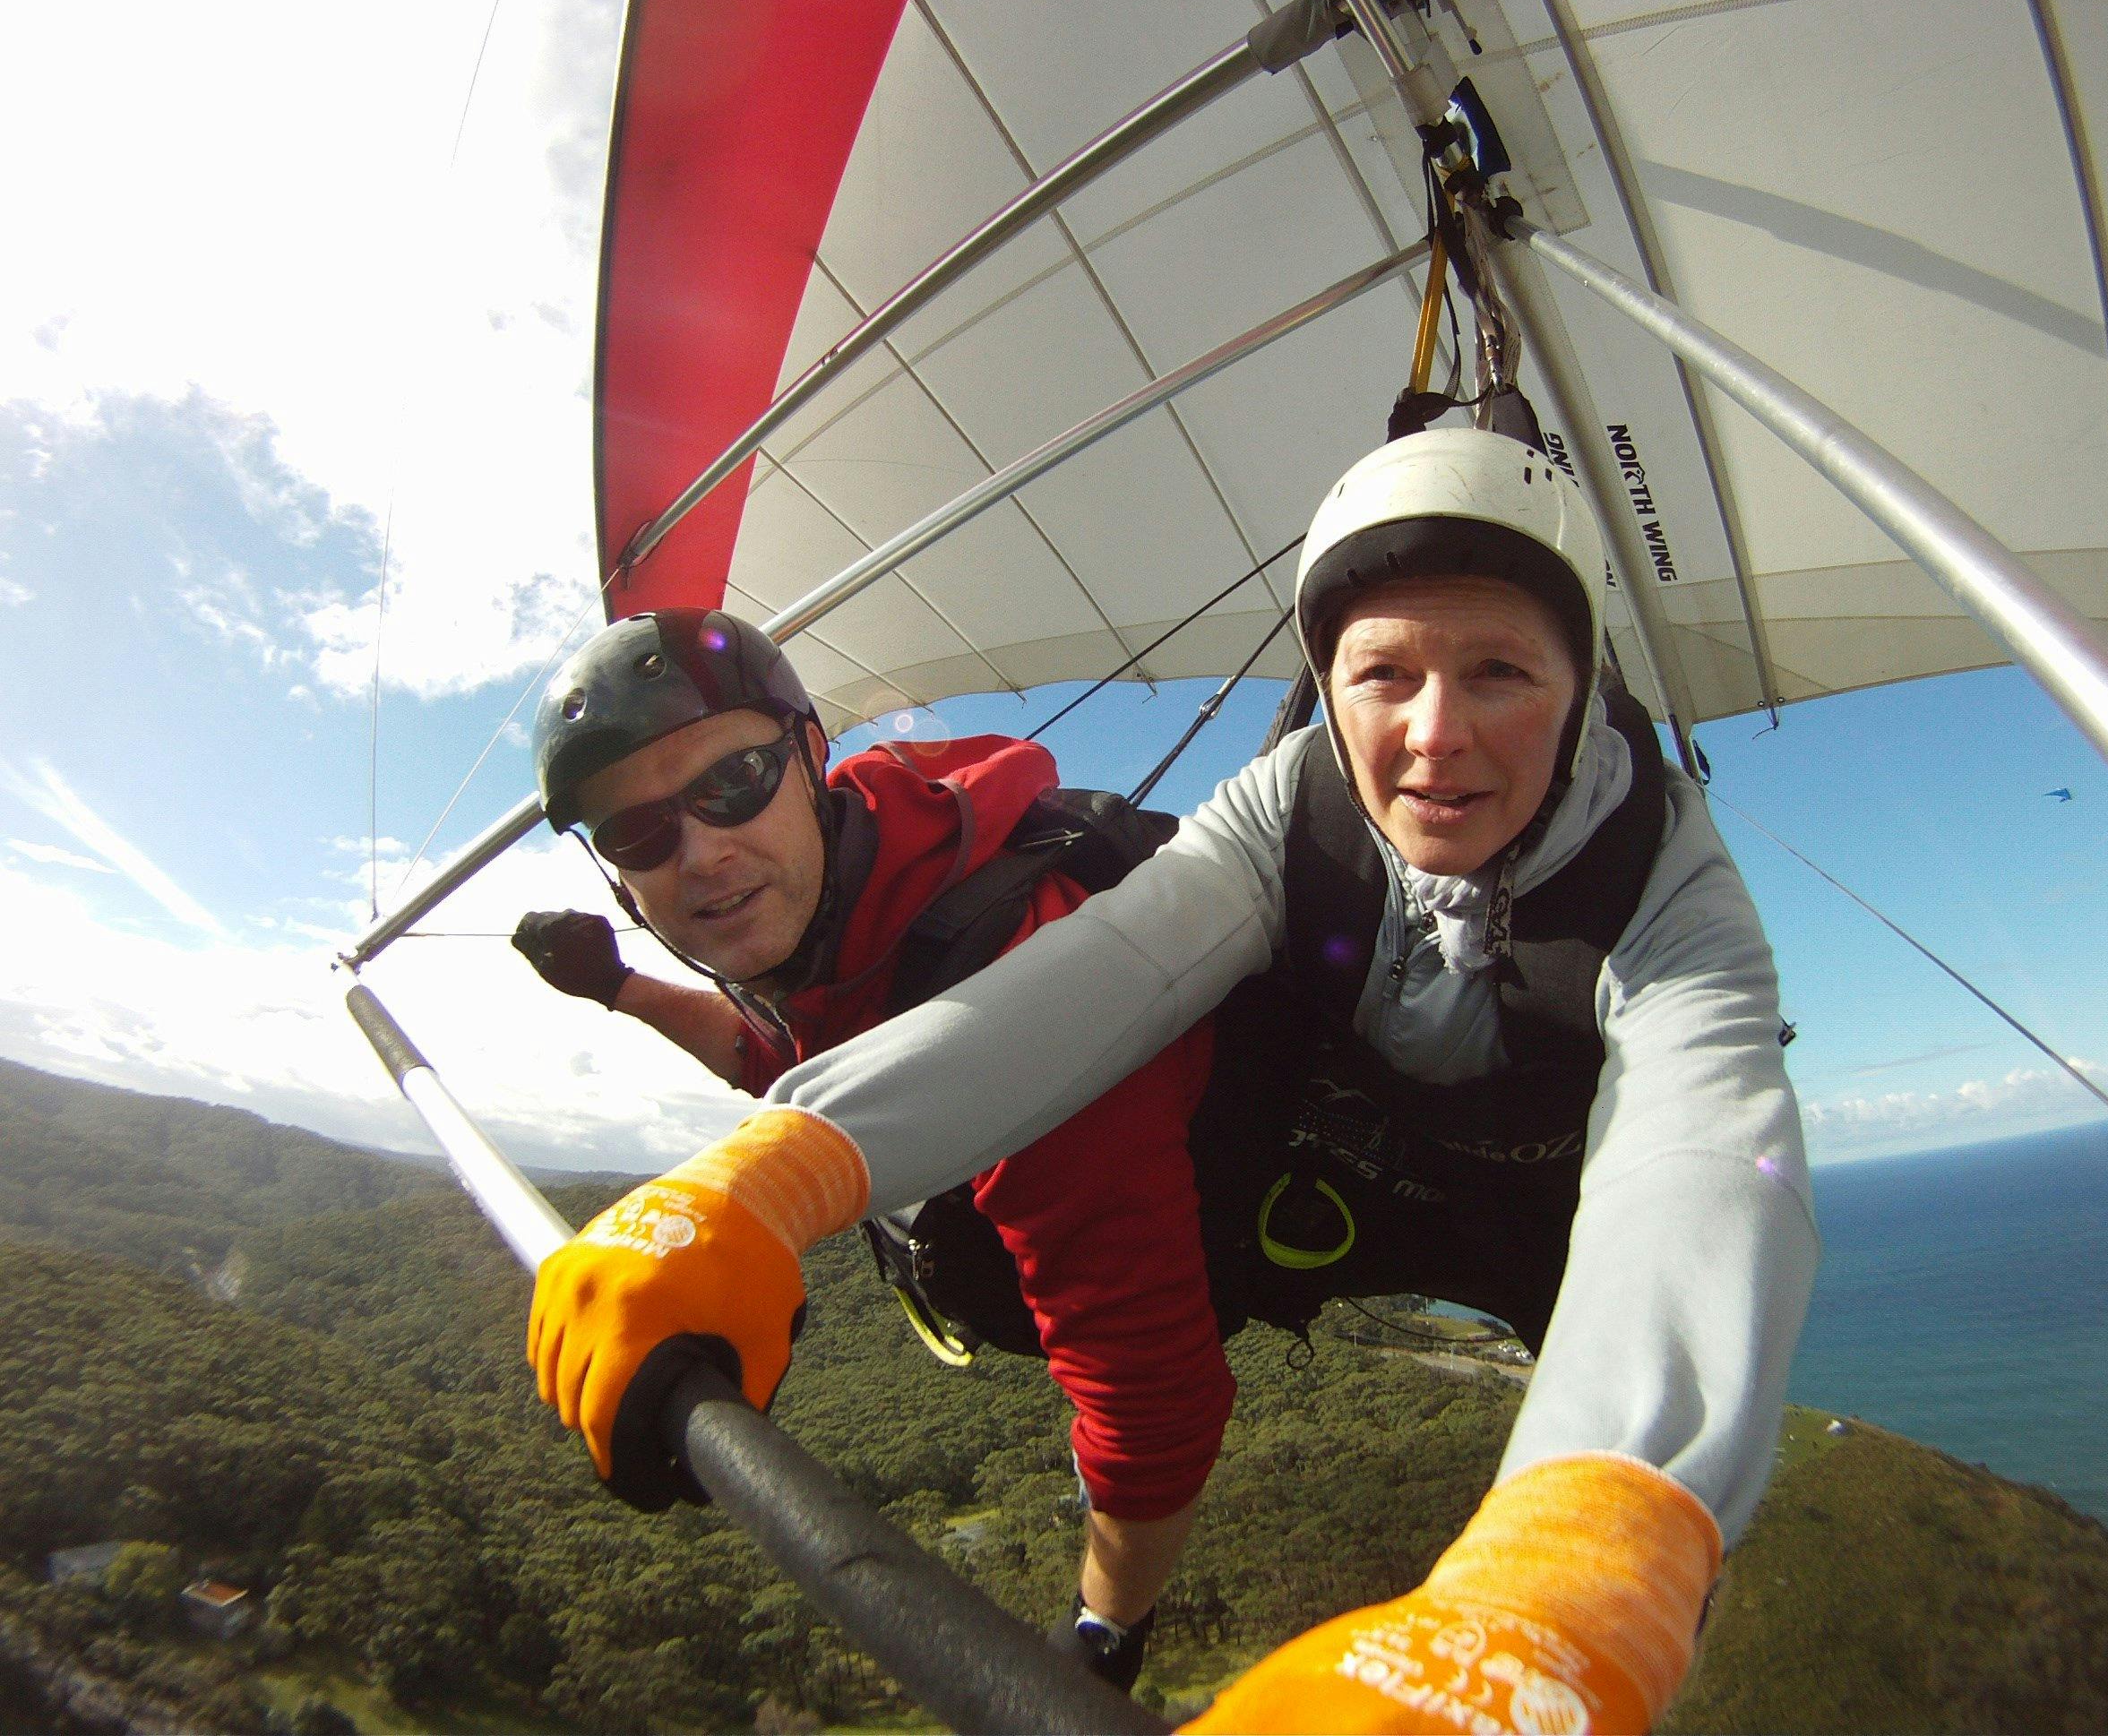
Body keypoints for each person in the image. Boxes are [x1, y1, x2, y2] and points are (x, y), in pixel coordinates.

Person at [529, 427, 1818, 1732]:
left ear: (1583, 679)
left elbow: (1698, 1159)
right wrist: (761, 1180)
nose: (1436, 738)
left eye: (1500, 672)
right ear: (1328, 681)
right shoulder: (1291, 807)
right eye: (1383, 674)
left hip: (1553, 1218)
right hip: (1352, 1172)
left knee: (1664, 1593)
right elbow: (1099, 974)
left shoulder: (1670, 891)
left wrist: (1569, 1577)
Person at [513, 607, 1230, 1689]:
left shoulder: (1018, 965)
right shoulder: (849, 905)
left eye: (732, 783)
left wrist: (1104, 1634)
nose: (701, 851)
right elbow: (782, 1058)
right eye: (639, 835)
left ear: (812, 757)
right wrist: (620, 986)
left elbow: (1154, 1395)